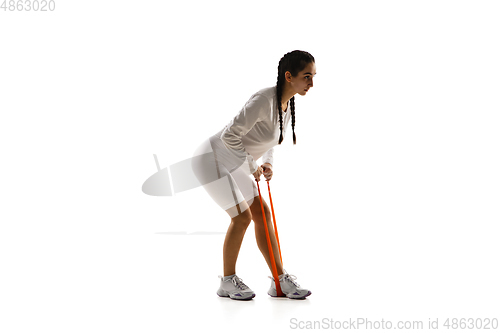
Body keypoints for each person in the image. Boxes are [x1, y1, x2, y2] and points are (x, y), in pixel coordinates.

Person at [191, 50, 316, 300]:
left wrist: (267, 163)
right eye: (306, 77)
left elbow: (271, 138)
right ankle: (227, 282)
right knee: (242, 217)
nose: (311, 84)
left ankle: (280, 281)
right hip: (212, 159)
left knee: (262, 212)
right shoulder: (263, 99)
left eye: (313, 76)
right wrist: (251, 166)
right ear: (289, 76)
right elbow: (230, 135)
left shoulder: (288, 102)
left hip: (234, 161)